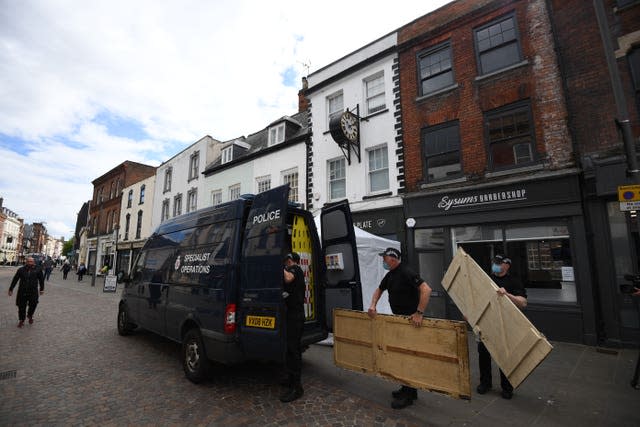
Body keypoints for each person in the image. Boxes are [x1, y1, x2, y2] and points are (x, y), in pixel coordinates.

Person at [368, 247, 432, 410]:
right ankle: (407, 389)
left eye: (385, 258)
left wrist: (419, 313)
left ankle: (408, 395)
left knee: (407, 357)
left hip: (410, 323)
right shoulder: (390, 275)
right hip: (398, 321)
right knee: (401, 355)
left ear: (393, 258)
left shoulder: (406, 272)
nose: (383, 260)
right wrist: (373, 305)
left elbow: (426, 289)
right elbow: (379, 290)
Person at [476, 254, 527, 400]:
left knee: (504, 357)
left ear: (507, 265)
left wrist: (507, 295)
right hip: (487, 323)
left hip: (506, 324)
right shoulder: (487, 279)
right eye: (494, 262)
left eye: (499, 263)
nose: (495, 265)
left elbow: (523, 303)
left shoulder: (514, 281)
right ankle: (485, 383)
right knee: (484, 355)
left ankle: (506, 388)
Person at [279, 252, 306, 403]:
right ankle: (290, 379)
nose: (286, 264)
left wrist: (278, 267)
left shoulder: (296, 270)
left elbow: (288, 278)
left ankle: (297, 388)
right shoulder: (291, 269)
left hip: (296, 317)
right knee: (289, 350)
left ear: (291, 261)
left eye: (286, 262)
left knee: (294, 351)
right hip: (291, 316)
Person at [8, 256, 45, 327]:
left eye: (31, 261)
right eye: (28, 261)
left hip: (33, 291)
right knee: (21, 306)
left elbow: (41, 280)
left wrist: (41, 289)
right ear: (26, 262)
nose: (30, 263)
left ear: (34, 262)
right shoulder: (21, 270)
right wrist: (11, 289)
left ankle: (30, 315)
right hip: (22, 291)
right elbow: (15, 279)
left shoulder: (38, 269)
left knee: (34, 304)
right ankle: (21, 320)